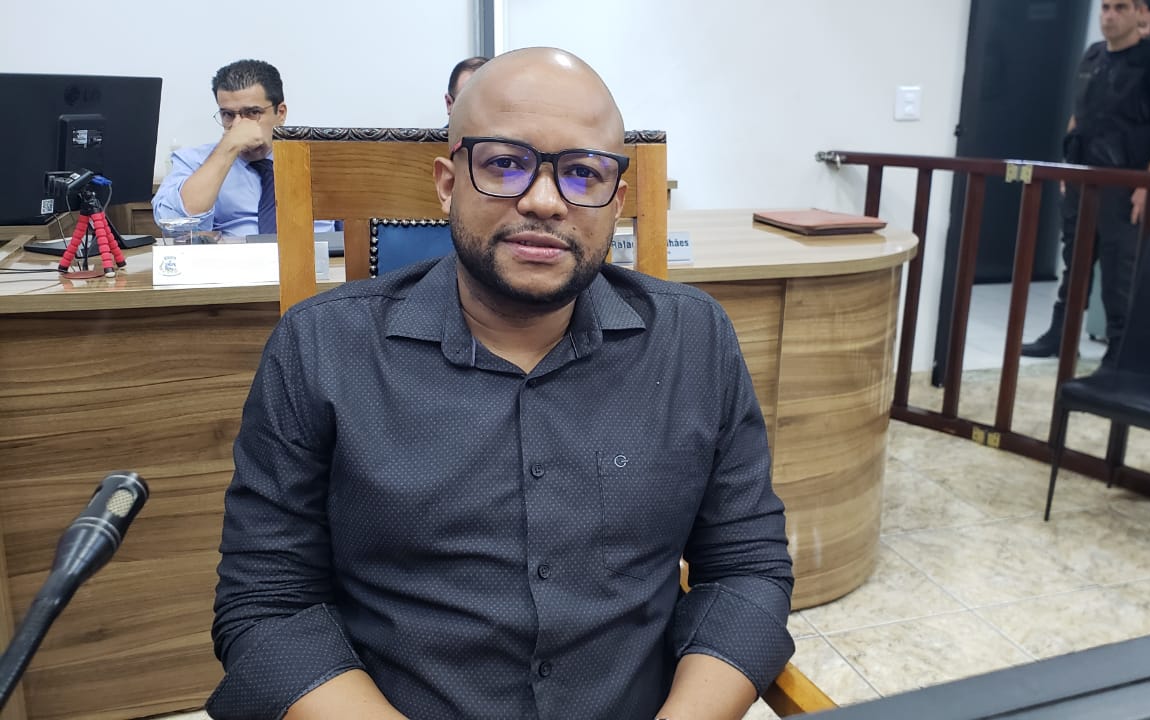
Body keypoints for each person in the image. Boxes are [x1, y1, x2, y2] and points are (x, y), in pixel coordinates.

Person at [207, 47, 795, 720]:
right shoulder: (321, 348)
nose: (544, 201)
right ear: (448, 183)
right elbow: (268, 603)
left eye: (583, 173)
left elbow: (746, 568)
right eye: (505, 164)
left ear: (617, 201)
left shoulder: (693, 341)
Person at [1022, 0, 1150, 362]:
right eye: (1106, 7)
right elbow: (1079, 116)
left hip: (1126, 182)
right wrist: (1068, 168)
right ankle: (1060, 336)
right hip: (1083, 178)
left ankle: (1120, 350)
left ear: (1140, 12)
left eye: (1120, 7)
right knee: (1075, 260)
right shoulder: (1093, 56)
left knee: (1119, 269)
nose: (1109, 15)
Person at [153, 59, 336, 237]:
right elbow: (173, 224)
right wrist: (229, 147)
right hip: (232, 256)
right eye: (228, 114)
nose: (238, 125)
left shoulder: (320, 161)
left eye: (253, 113)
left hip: (316, 255)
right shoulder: (193, 161)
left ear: (280, 113)